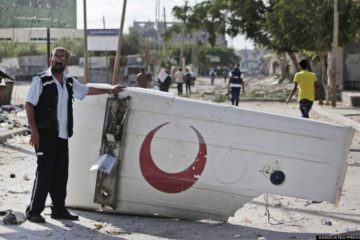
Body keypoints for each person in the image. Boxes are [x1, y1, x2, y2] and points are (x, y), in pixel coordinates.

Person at [25, 47, 125, 224]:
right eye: (56, 56)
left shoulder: (69, 82)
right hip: (45, 136)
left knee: (61, 174)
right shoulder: (41, 80)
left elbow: (87, 90)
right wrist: (34, 131)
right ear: (50, 60)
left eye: (62, 57)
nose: (58, 59)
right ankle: (34, 211)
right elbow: (29, 105)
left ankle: (58, 209)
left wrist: (110, 89)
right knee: (44, 173)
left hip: (62, 137)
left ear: (67, 62)